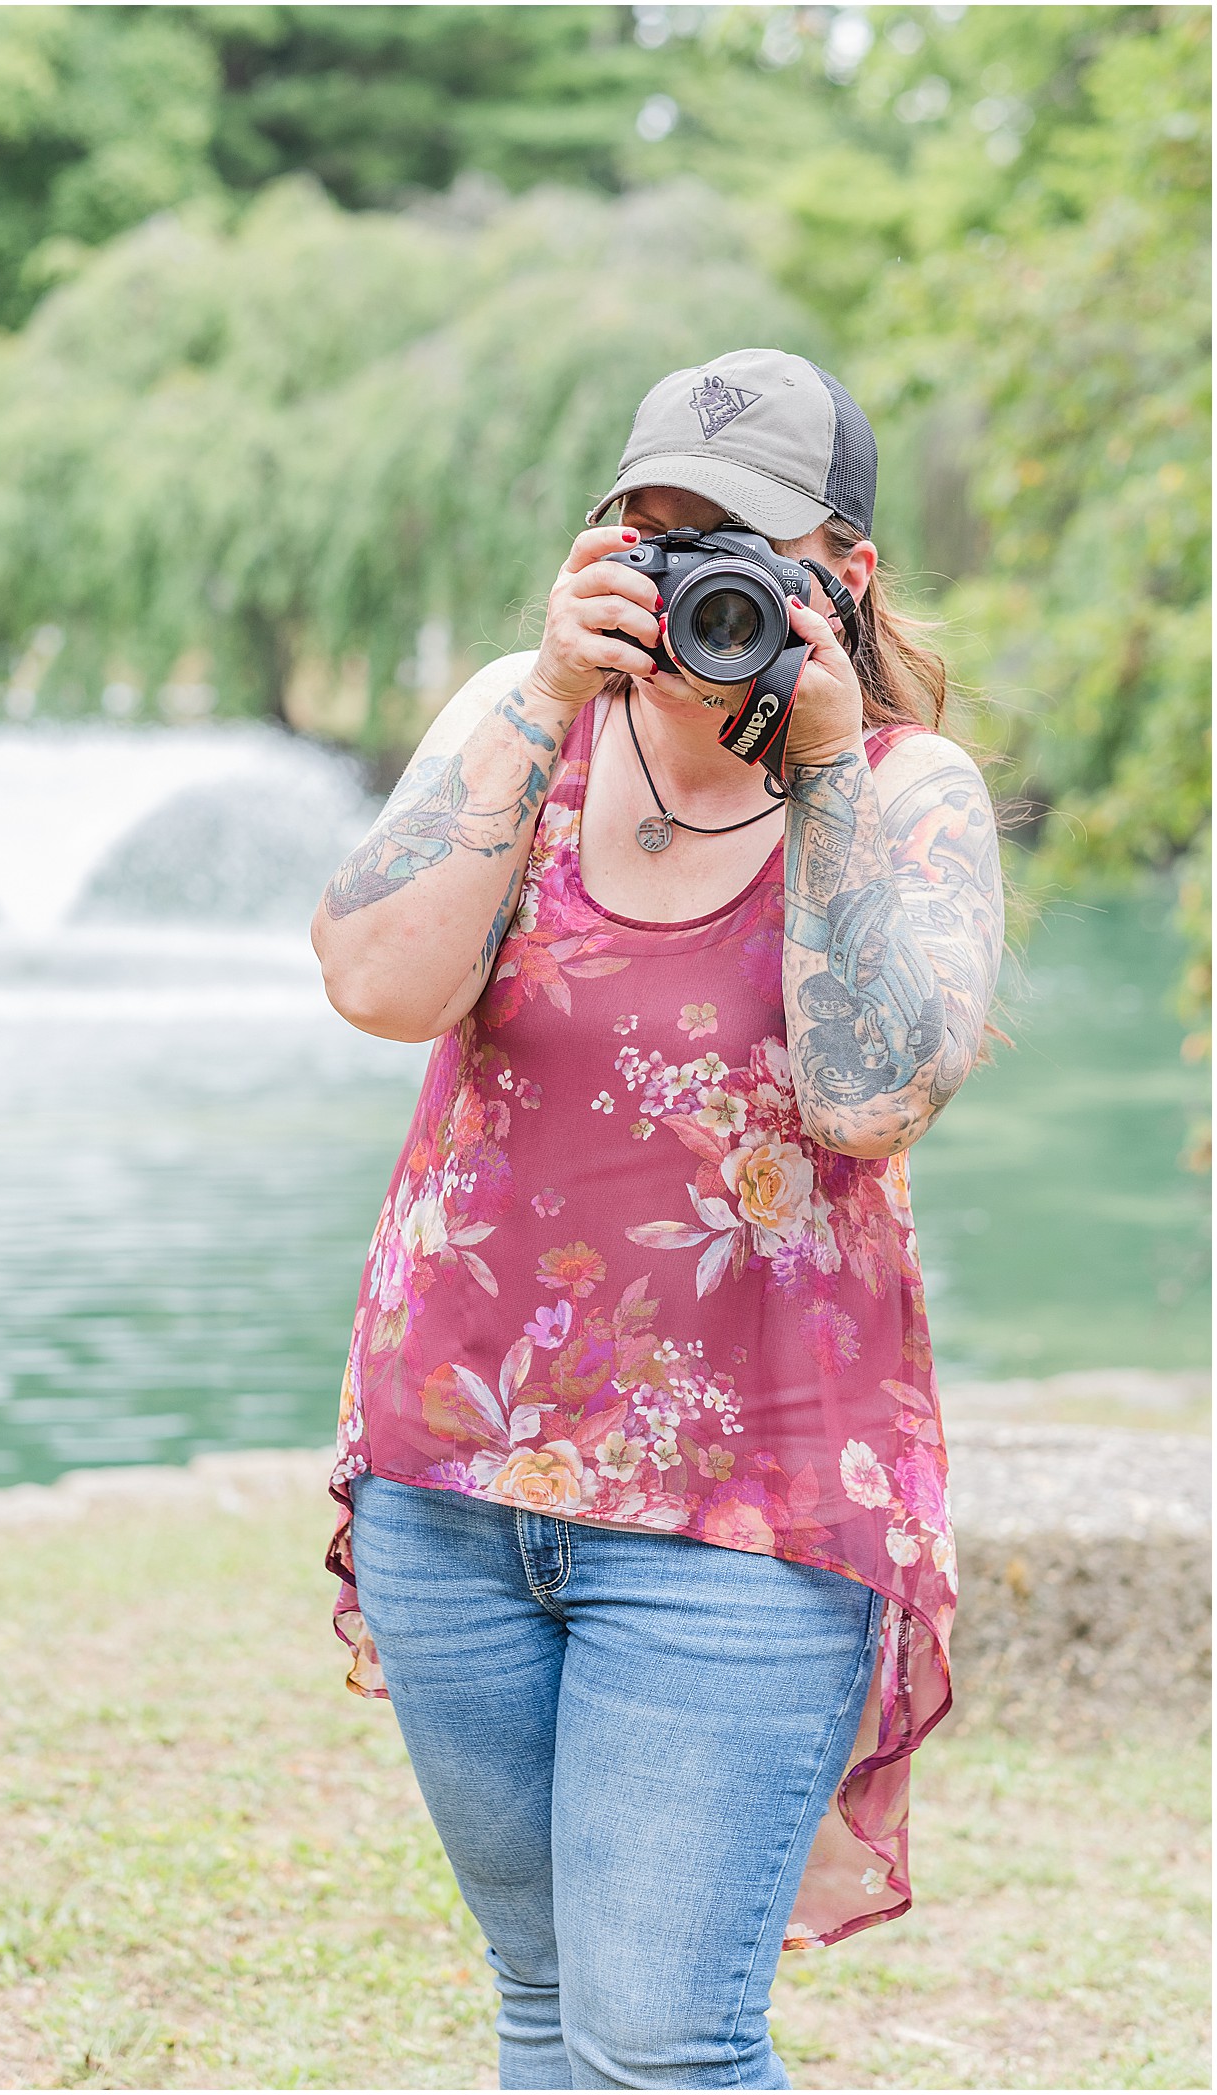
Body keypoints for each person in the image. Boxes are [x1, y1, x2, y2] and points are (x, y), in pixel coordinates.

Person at [312, 347, 1003, 2091]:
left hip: (744, 1512)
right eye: (656, 530)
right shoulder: (516, 718)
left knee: (664, 2045)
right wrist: (541, 697)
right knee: (548, 2007)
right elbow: (379, 986)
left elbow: (868, 1099)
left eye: (741, 545)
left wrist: (830, 757)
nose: (693, 574)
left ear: (839, 576)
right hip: (450, 1484)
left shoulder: (913, 794)